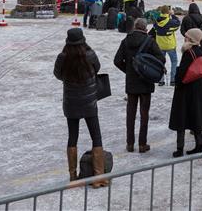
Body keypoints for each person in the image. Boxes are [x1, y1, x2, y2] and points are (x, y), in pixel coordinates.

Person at [53, 28, 108, 188]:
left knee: (73, 137)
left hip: (71, 102)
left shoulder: (63, 57)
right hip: (90, 101)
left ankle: (73, 176)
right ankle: (98, 177)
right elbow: (97, 68)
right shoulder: (89, 55)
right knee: (96, 136)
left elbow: (57, 75)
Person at [114, 18, 165, 153]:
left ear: (135, 27)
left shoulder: (126, 41)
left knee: (130, 113)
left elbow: (117, 60)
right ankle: (142, 144)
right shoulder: (150, 41)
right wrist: (147, 69)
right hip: (145, 81)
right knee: (144, 113)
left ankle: (130, 144)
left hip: (131, 82)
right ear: (145, 28)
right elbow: (161, 59)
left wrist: (129, 70)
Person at [169, 29, 202, 156]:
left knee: (181, 119)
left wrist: (177, 82)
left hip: (186, 90)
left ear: (191, 39)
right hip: (197, 89)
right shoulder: (199, 51)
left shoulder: (188, 52)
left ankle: (179, 149)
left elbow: (181, 74)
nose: (184, 38)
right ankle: (199, 145)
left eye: (186, 36)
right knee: (196, 118)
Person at [153, 6, 180, 86]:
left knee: (160, 62)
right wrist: (173, 15)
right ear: (168, 12)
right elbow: (178, 23)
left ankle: (161, 80)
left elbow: (155, 29)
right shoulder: (171, 22)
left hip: (160, 45)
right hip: (170, 45)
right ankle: (173, 80)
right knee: (174, 62)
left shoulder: (156, 21)